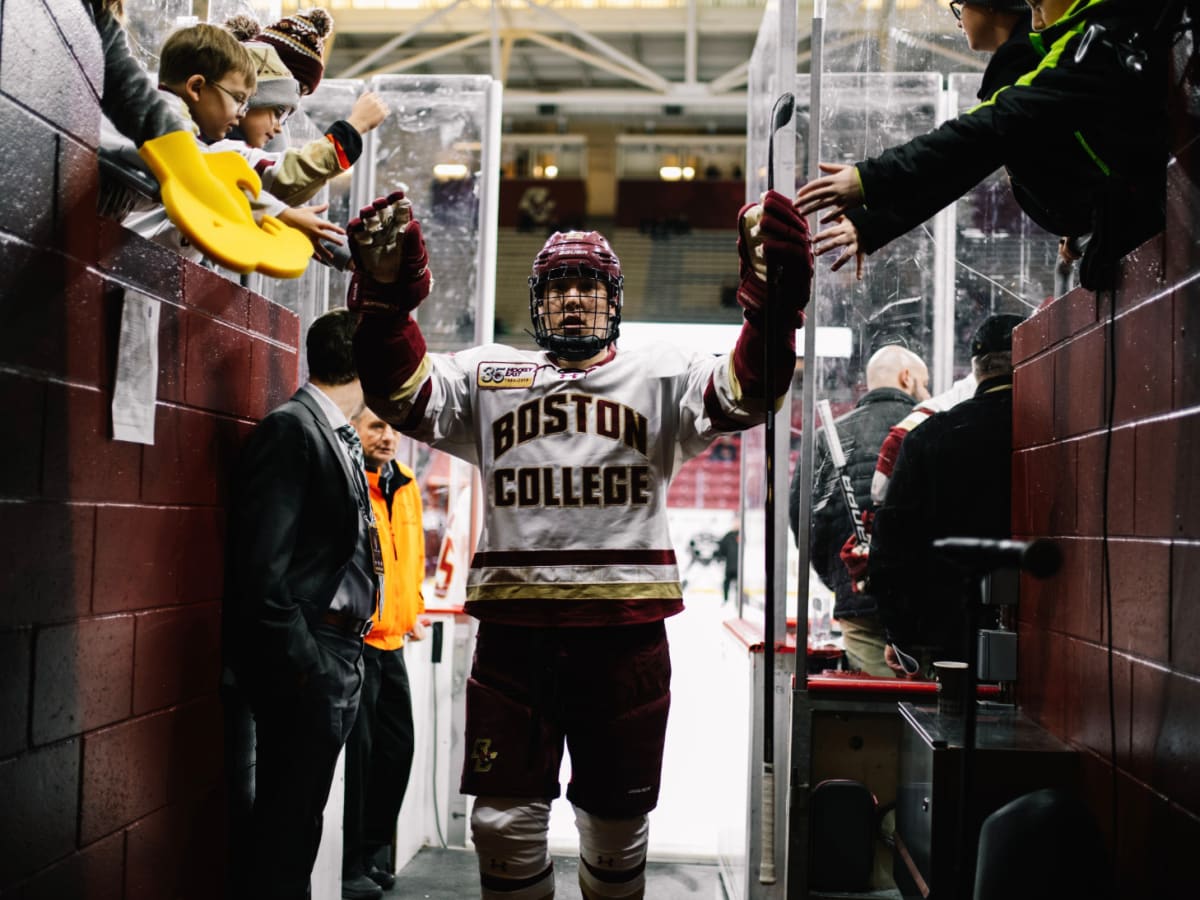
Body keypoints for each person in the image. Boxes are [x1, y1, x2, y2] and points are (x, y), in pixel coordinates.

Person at [349, 189, 813, 898]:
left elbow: (745, 393)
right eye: (559, 285)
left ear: (612, 298)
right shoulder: (490, 372)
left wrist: (771, 312)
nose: (572, 299)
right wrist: (384, 307)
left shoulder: (662, 368)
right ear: (538, 299)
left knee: (617, 823)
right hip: (513, 638)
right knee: (501, 824)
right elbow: (401, 391)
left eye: (587, 285)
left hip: (623, 636)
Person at [796, 0, 1170, 290]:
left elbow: (970, 153)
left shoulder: (1027, 57)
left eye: (1037, 6)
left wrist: (869, 193)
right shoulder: (1039, 50)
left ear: (989, 5)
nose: (1038, 21)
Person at [222, 309, 381, 900]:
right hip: (309, 662)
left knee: (300, 826)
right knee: (286, 833)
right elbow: (261, 575)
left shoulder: (329, 430)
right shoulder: (294, 430)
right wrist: (308, 666)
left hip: (337, 652)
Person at [814, 0, 1037, 281]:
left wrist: (868, 180)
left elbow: (960, 156)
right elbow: (960, 167)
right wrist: (869, 223)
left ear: (990, 4)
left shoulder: (1026, 61)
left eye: (960, 7)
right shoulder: (1021, 61)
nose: (958, 21)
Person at [869, 314, 1024, 676]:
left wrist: (898, 633)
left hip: (947, 635)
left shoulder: (929, 435)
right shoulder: (1057, 430)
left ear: (977, 369)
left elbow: (891, 544)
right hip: (1043, 631)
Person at [117, 23, 343, 260]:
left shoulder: (174, 128)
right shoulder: (161, 122)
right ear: (196, 87)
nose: (241, 113)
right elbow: (200, 176)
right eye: (238, 99)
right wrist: (280, 214)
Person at [791, 345, 930, 677]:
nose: (928, 392)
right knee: (927, 710)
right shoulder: (933, 428)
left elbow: (804, 520)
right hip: (923, 600)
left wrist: (843, 577)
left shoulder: (828, 436)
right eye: (925, 383)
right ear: (907, 378)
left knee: (876, 711)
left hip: (858, 602)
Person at [342, 408, 427, 900]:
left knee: (397, 751)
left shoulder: (406, 483)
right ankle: (350, 863)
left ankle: (372, 851)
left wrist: (412, 606)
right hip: (357, 643)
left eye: (393, 428)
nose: (388, 436)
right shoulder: (350, 483)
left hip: (394, 641)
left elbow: (411, 556)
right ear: (354, 428)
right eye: (376, 426)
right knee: (361, 760)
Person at [218, 15, 390, 208]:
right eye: (278, 109)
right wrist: (354, 127)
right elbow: (281, 178)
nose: (279, 127)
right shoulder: (215, 149)